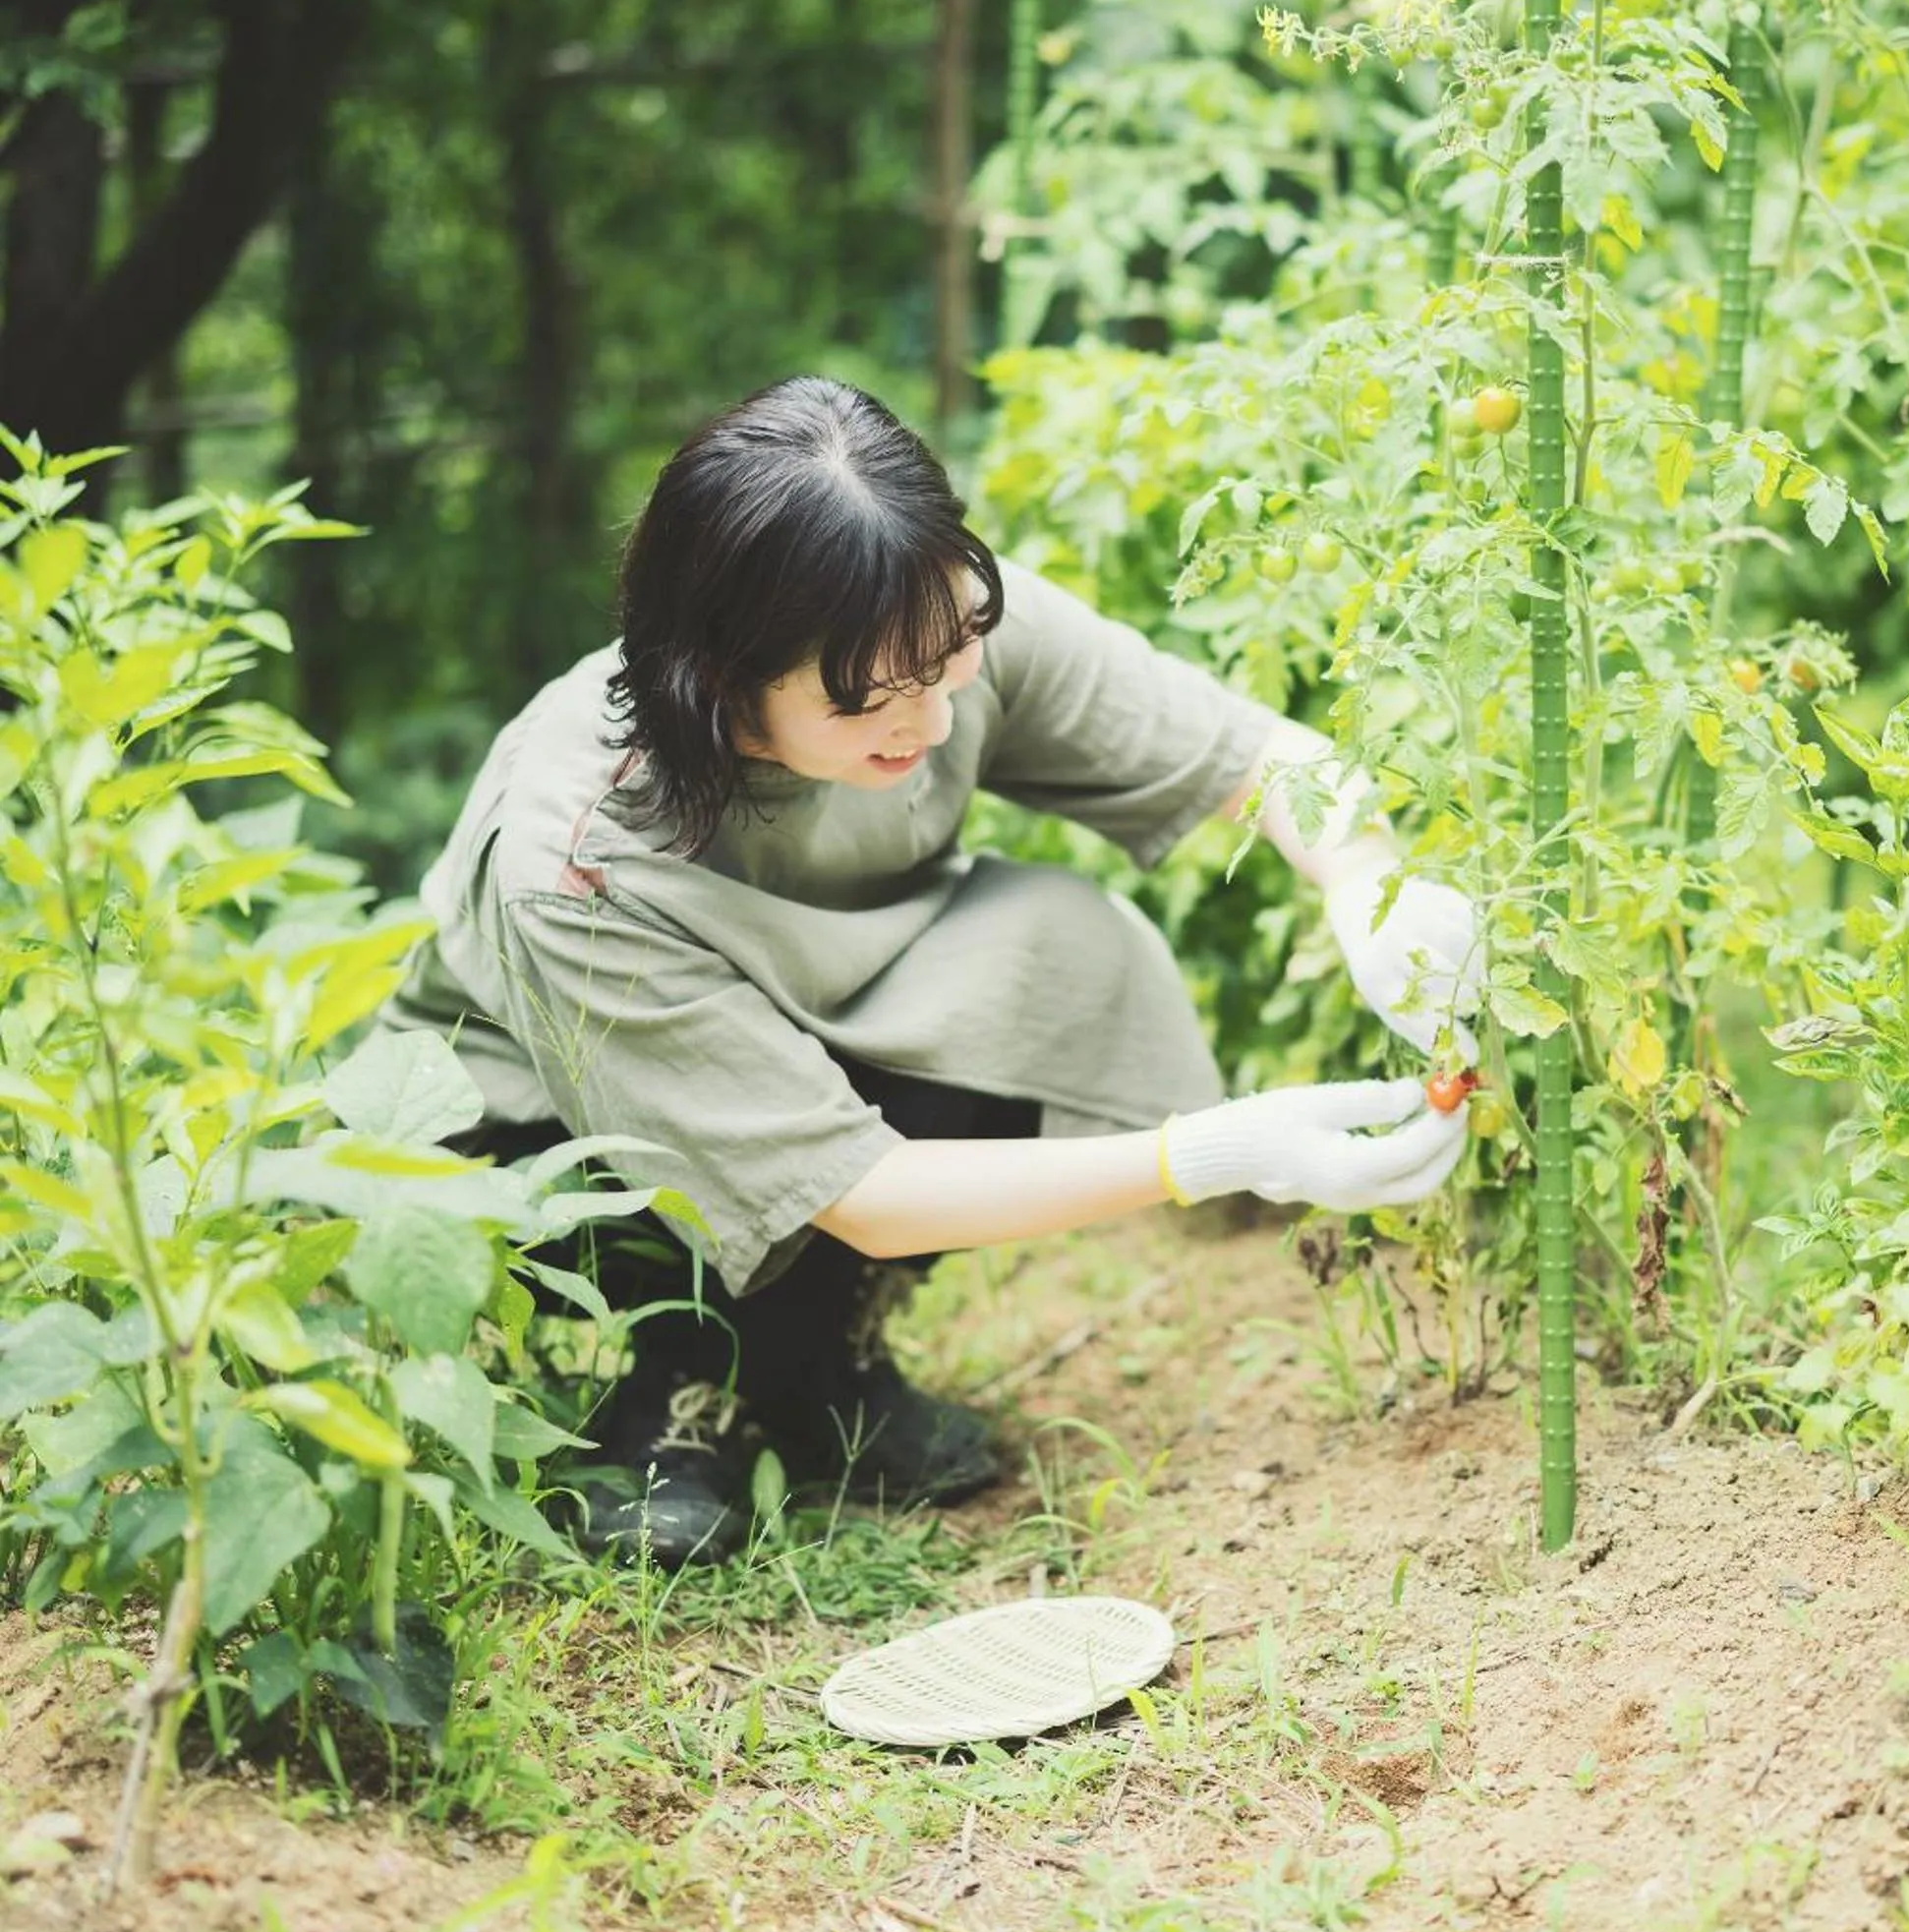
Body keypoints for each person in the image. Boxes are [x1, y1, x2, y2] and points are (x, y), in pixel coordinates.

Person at [374, 376, 1481, 1565]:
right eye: (866, 703)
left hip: (813, 1025)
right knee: (677, 1200)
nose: (929, 721)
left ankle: (807, 1367)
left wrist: (1371, 887)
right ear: (718, 678)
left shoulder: (926, 622)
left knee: (1060, 946)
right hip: (551, 1141)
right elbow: (853, 1191)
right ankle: (666, 1396)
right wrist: (1212, 1156)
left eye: (944, 664)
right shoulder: (578, 855)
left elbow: (1256, 758)